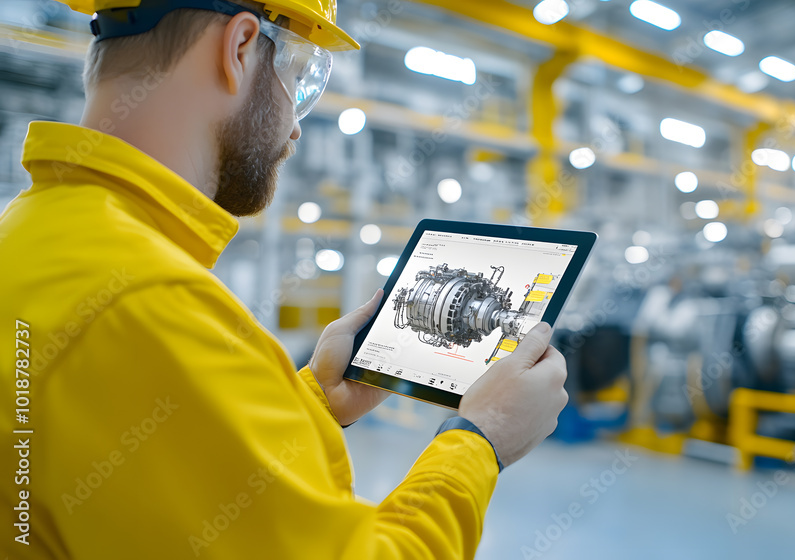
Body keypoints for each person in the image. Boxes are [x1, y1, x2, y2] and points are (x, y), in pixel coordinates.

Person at [0, 0, 568, 557]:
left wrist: (316, 400)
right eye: (298, 79)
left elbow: (154, 467)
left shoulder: (31, 233)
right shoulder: (147, 302)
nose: (295, 128)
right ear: (240, 47)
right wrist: (480, 440)